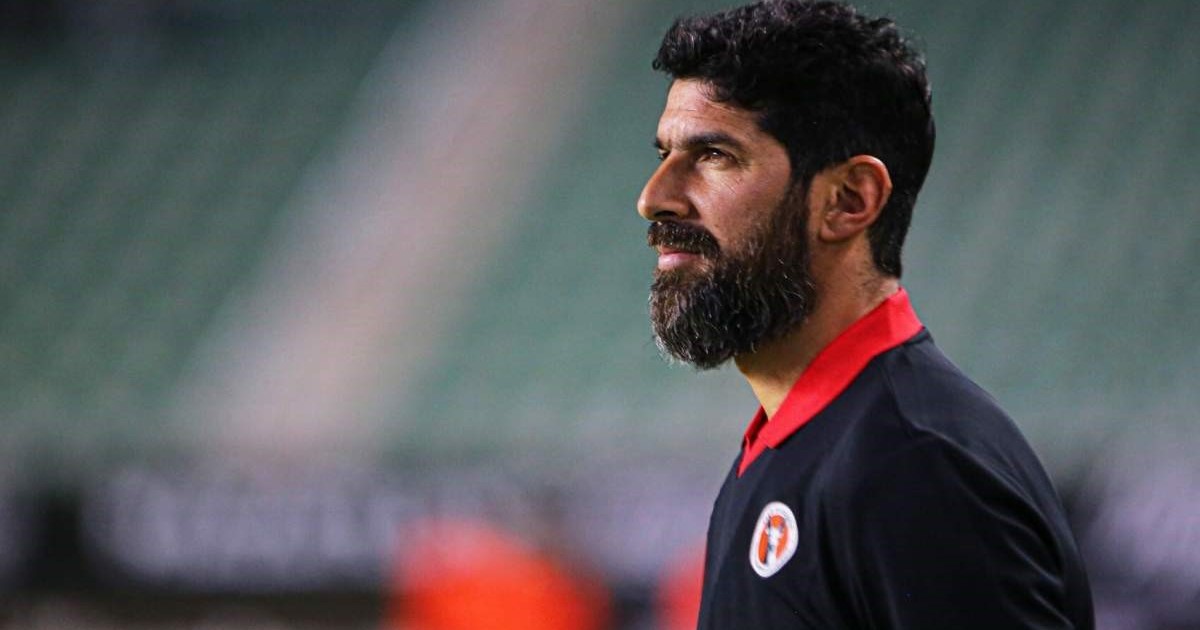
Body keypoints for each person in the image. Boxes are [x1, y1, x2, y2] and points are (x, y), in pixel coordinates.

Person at [636, 1, 1094, 627]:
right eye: (664, 154)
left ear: (850, 200)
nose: (654, 198)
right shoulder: (800, 448)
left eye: (714, 155)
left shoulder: (916, 467)